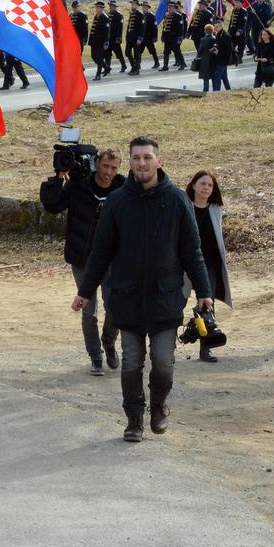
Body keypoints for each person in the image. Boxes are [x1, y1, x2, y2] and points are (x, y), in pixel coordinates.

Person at [73, 136, 213, 443]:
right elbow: (101, 252)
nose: (141, 163)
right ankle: (134, 418)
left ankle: (159, 406)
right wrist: (85, 290)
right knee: (132, 363)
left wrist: (204, 291)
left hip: (166, 298)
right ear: (131, 161)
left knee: (163, 361)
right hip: (127, 298)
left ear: (158, 161)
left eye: (147, 157)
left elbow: (192, 250)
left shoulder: (177, 200)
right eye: (136, 158)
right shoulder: (117, 202)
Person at [40, 146, 125, 375]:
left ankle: (109, 342)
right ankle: (95, 355)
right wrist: (59, 176)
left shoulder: (123, 187)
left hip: (112, 259)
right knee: (89, 310)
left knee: (114, 307)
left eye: (114, 168)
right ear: (97, 163)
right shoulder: (79, 184)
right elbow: (53, 205)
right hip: (82, 257)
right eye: (105, 166)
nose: (109, 172)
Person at [185, 170, 232, 362]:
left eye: (210, 185)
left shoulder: (215, 209)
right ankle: (166, 347)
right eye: (202, 183)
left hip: (210, 264)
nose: (206, 188)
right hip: (185, 263)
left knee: (207, 304)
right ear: (194, 185)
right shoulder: (184, 206)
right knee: (176, 302)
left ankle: (206, 348)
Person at [89, 2, 111, 79]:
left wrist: (106, 42)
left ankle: (98, 75)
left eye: (98, 8)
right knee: (93, 56)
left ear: (102, 8)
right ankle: (107, 68)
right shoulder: (97, 16)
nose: (97, 9)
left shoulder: (105, 18)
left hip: (101, 41)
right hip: (94, 41)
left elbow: (107, 32)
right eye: (96, 8)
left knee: (99, 57)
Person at [208, 22, 233, 92]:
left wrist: (219, 52)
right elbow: (218, 44)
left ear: (221, 27)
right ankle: (228, 90)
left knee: (217, 75)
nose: (215, 28)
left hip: (223, 59)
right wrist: (214, 48)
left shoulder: (225, 35)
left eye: (217, 27)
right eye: (215, 27)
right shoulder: (218, 34)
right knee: (224, 77)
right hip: (219, 58)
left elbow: (229, 50)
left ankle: (217, 92)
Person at [125, 0, 145, 75]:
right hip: (130, 38)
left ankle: (136, 70)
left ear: (137, 5)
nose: (132, 5)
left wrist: (140, 38)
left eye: (133, 4)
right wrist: (127, 36)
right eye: (132, 4)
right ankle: (134, 66)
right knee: (127, 52)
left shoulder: (140, 14)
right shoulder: (132, 14)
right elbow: (129, 26)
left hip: (137, 38)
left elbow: (142, 27)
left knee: (136, 54)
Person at [106, 1, 127, 73]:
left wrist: (118, 38)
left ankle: (123, 65)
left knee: (118, 53)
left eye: (112, 6)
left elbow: (120, 28)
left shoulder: (119, 15)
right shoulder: (108, 14)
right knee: (107, 53)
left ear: (115, 6)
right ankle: (107, 67)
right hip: (109, 38)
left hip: (115, 38)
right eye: (110, 5)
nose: (110, 7)